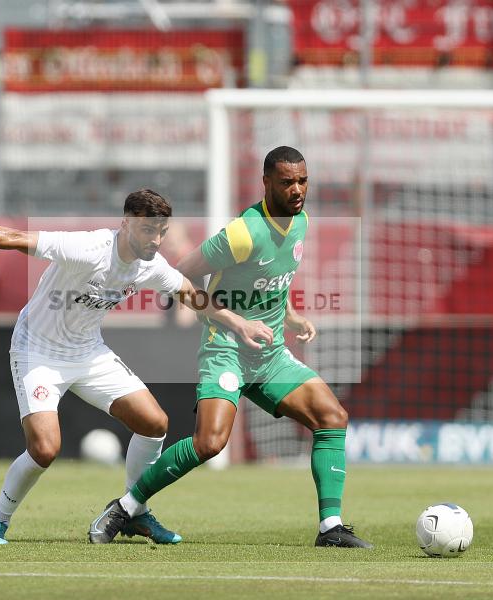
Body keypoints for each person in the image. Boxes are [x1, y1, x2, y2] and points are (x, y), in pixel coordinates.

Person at [0, 190, 273, 544]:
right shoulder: (88, 248)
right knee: (45, 449)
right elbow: (15, 238)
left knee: (154, 423)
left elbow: (190, 294)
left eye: (161, 231)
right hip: (38, 351)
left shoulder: (150, 265)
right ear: (125, 224)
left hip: (88, 353)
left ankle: (135, 510)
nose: (155, 240)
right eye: (147, 230)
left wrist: (239, 323)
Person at [89, 147, 373, 548]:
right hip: (225, 348)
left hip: (269, 356)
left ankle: (331, 528)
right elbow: (180, 273)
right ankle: (125, 507)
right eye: (287, 182)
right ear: (266, 183)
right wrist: (223, 319)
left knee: (331, 416)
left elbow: (273, 279)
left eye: (302, 181)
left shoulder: (301, 221)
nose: (297, 190)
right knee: (210, 443)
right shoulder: (243, 233)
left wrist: (291, 317)